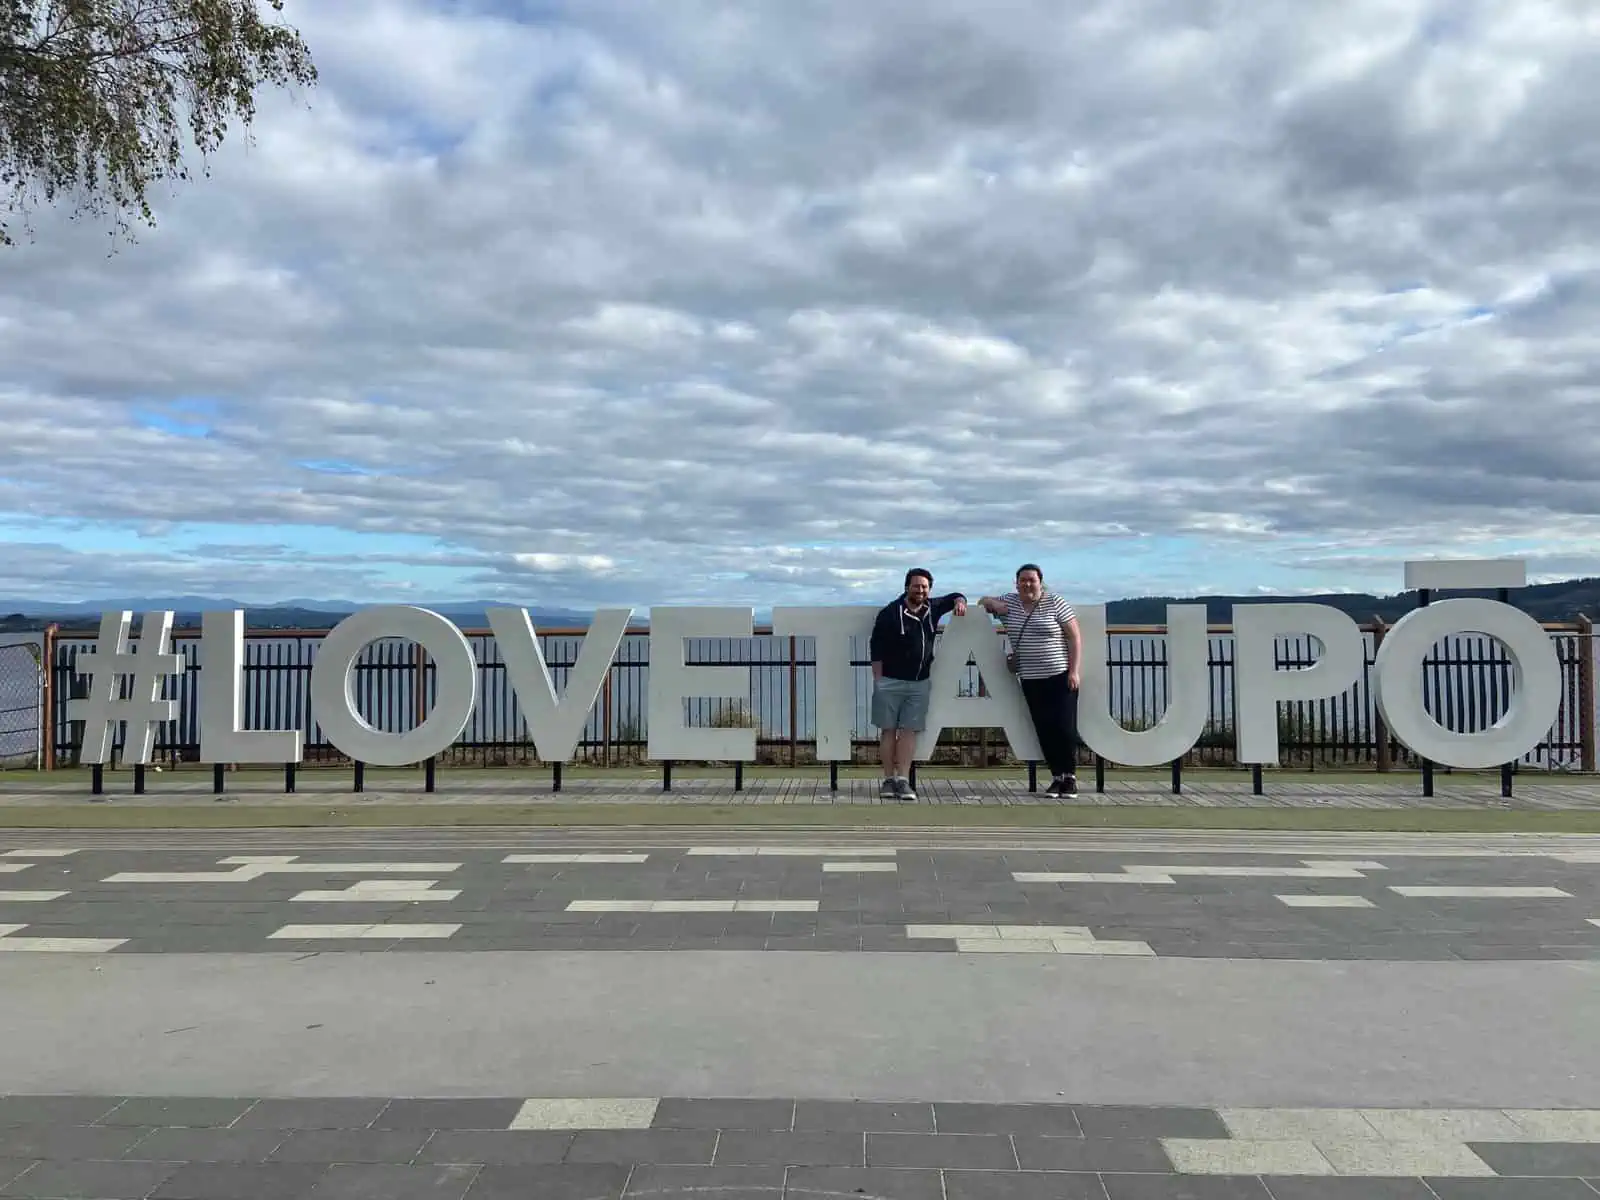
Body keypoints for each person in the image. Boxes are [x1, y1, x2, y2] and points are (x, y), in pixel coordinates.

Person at [978, 563, 1082, 797]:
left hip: (1059, 675)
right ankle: (1056, 777)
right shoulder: (1010, 601)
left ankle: (1070, 777)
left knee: (1064, 727)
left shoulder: (1055, 602)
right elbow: (982, 601)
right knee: (1043, 728)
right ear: (1016, 583)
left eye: (1031, 580)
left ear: (1040, 582)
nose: (1027, 584)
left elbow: (1074, 637)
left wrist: (1074, 671)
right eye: (1022, 580)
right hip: (1031, 678)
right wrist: (992, 604)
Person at [869, 568, 967, 799]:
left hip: (919, 683)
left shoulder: (933, 608)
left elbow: (955, 595)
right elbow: (876, 648)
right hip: (890, 681)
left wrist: (960, 602)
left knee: (909, 731)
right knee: (888, 730)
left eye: (924, 586)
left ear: (929, 590)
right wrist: (879, 680)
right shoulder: (890, 613)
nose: (920, 590)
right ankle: (888, 779)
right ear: (906, 587)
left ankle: (902, 779)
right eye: (916, 585)